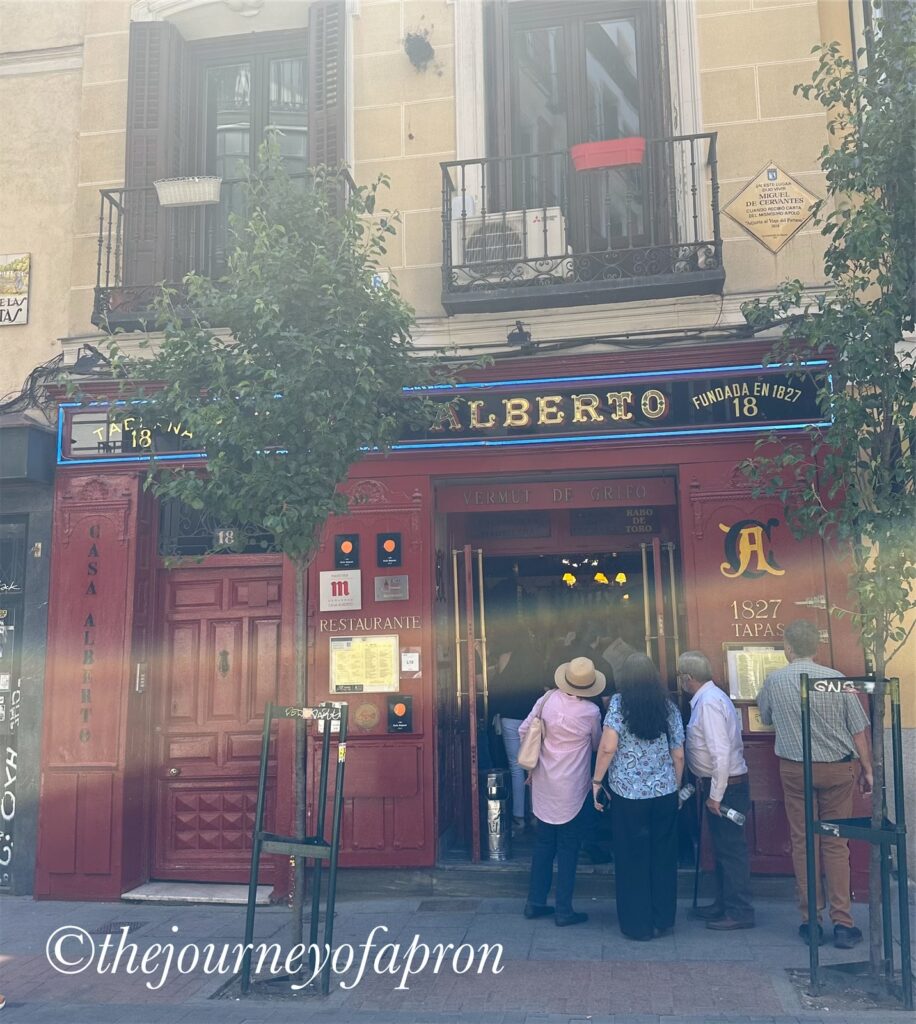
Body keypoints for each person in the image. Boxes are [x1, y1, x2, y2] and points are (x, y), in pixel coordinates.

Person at [757, 620, 873, 949]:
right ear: (816, 648)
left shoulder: (774, 680)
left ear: (788, 648)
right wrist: (867, 769)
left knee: (803, 841)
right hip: (837, 769)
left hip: (796, 769)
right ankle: (843, 922)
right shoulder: (837, 680)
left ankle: (811, 921)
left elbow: (765, 717)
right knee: (836, 843)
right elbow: (858, 730)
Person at [593, 653, 685, 941]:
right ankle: (662, 918)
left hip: (628, 794)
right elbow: (678, 754)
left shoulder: (619, 704)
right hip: (664, 792)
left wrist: (597, 780)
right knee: (663, 857)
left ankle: (637, 924)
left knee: (632, 858)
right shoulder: (668, 707)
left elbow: (608, 747)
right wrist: (675, 786)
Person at [519, 656, 605, 927]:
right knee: (569, 847)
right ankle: (564, 910)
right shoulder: (591, 712)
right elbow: (597, 744)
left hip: (544, 782)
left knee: (544, 843)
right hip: (573, 786)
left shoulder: (546, 700)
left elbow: (524, 730)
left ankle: (535, 902)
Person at [678, 650, 755, 930]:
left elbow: (720, 753)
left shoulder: (708, 703)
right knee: (723, 849)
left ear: (688, 677)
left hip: (725, 786)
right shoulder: (710, 698)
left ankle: (739, 910)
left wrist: (715, 795)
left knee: (731, 851)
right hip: (721, 783)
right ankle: (723, 903)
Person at [488, 634, 547, 834]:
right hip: (533, 718)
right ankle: (536, 814)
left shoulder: (505, 657)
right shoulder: (538, 659)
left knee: (516, 767)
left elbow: (498, 687)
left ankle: (518, 817)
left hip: (510, 716)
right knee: (534, 765)